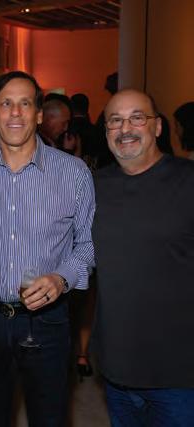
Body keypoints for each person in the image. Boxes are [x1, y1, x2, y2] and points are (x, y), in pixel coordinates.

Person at [0, 71, 95, 427]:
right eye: (6, 103)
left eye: (25, 103)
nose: (16, 112)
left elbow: (87, 244)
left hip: (48, 321)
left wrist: (61, 278)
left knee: (49, 417)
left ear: (38, 114)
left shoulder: (74, 173)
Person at [92, 89, 194, 426]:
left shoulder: (189, 180)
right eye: (115, 121)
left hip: (179, 374)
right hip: (116, 367)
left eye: (137, 118)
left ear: (158, 127)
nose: (126, 129)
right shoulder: (92, 187)